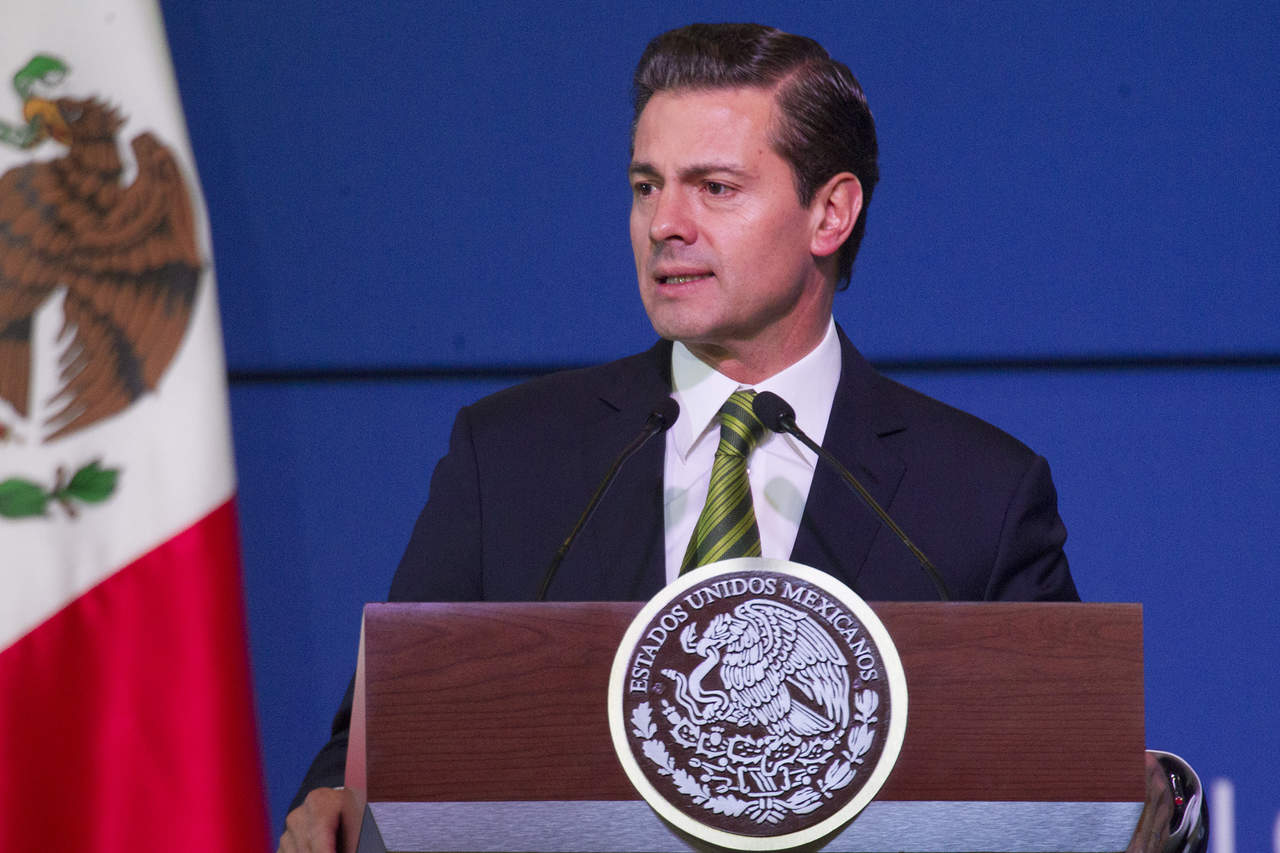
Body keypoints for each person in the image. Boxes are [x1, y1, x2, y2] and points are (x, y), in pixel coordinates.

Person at [278, 22, 1083, 853]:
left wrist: (1144, 795)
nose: (665, 223)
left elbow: (1069, 778)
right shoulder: (509, 457)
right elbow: (377, 746)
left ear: (830, 212)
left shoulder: (980, 494)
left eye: (716, 188)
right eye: (646, 186)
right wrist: (333, 807)